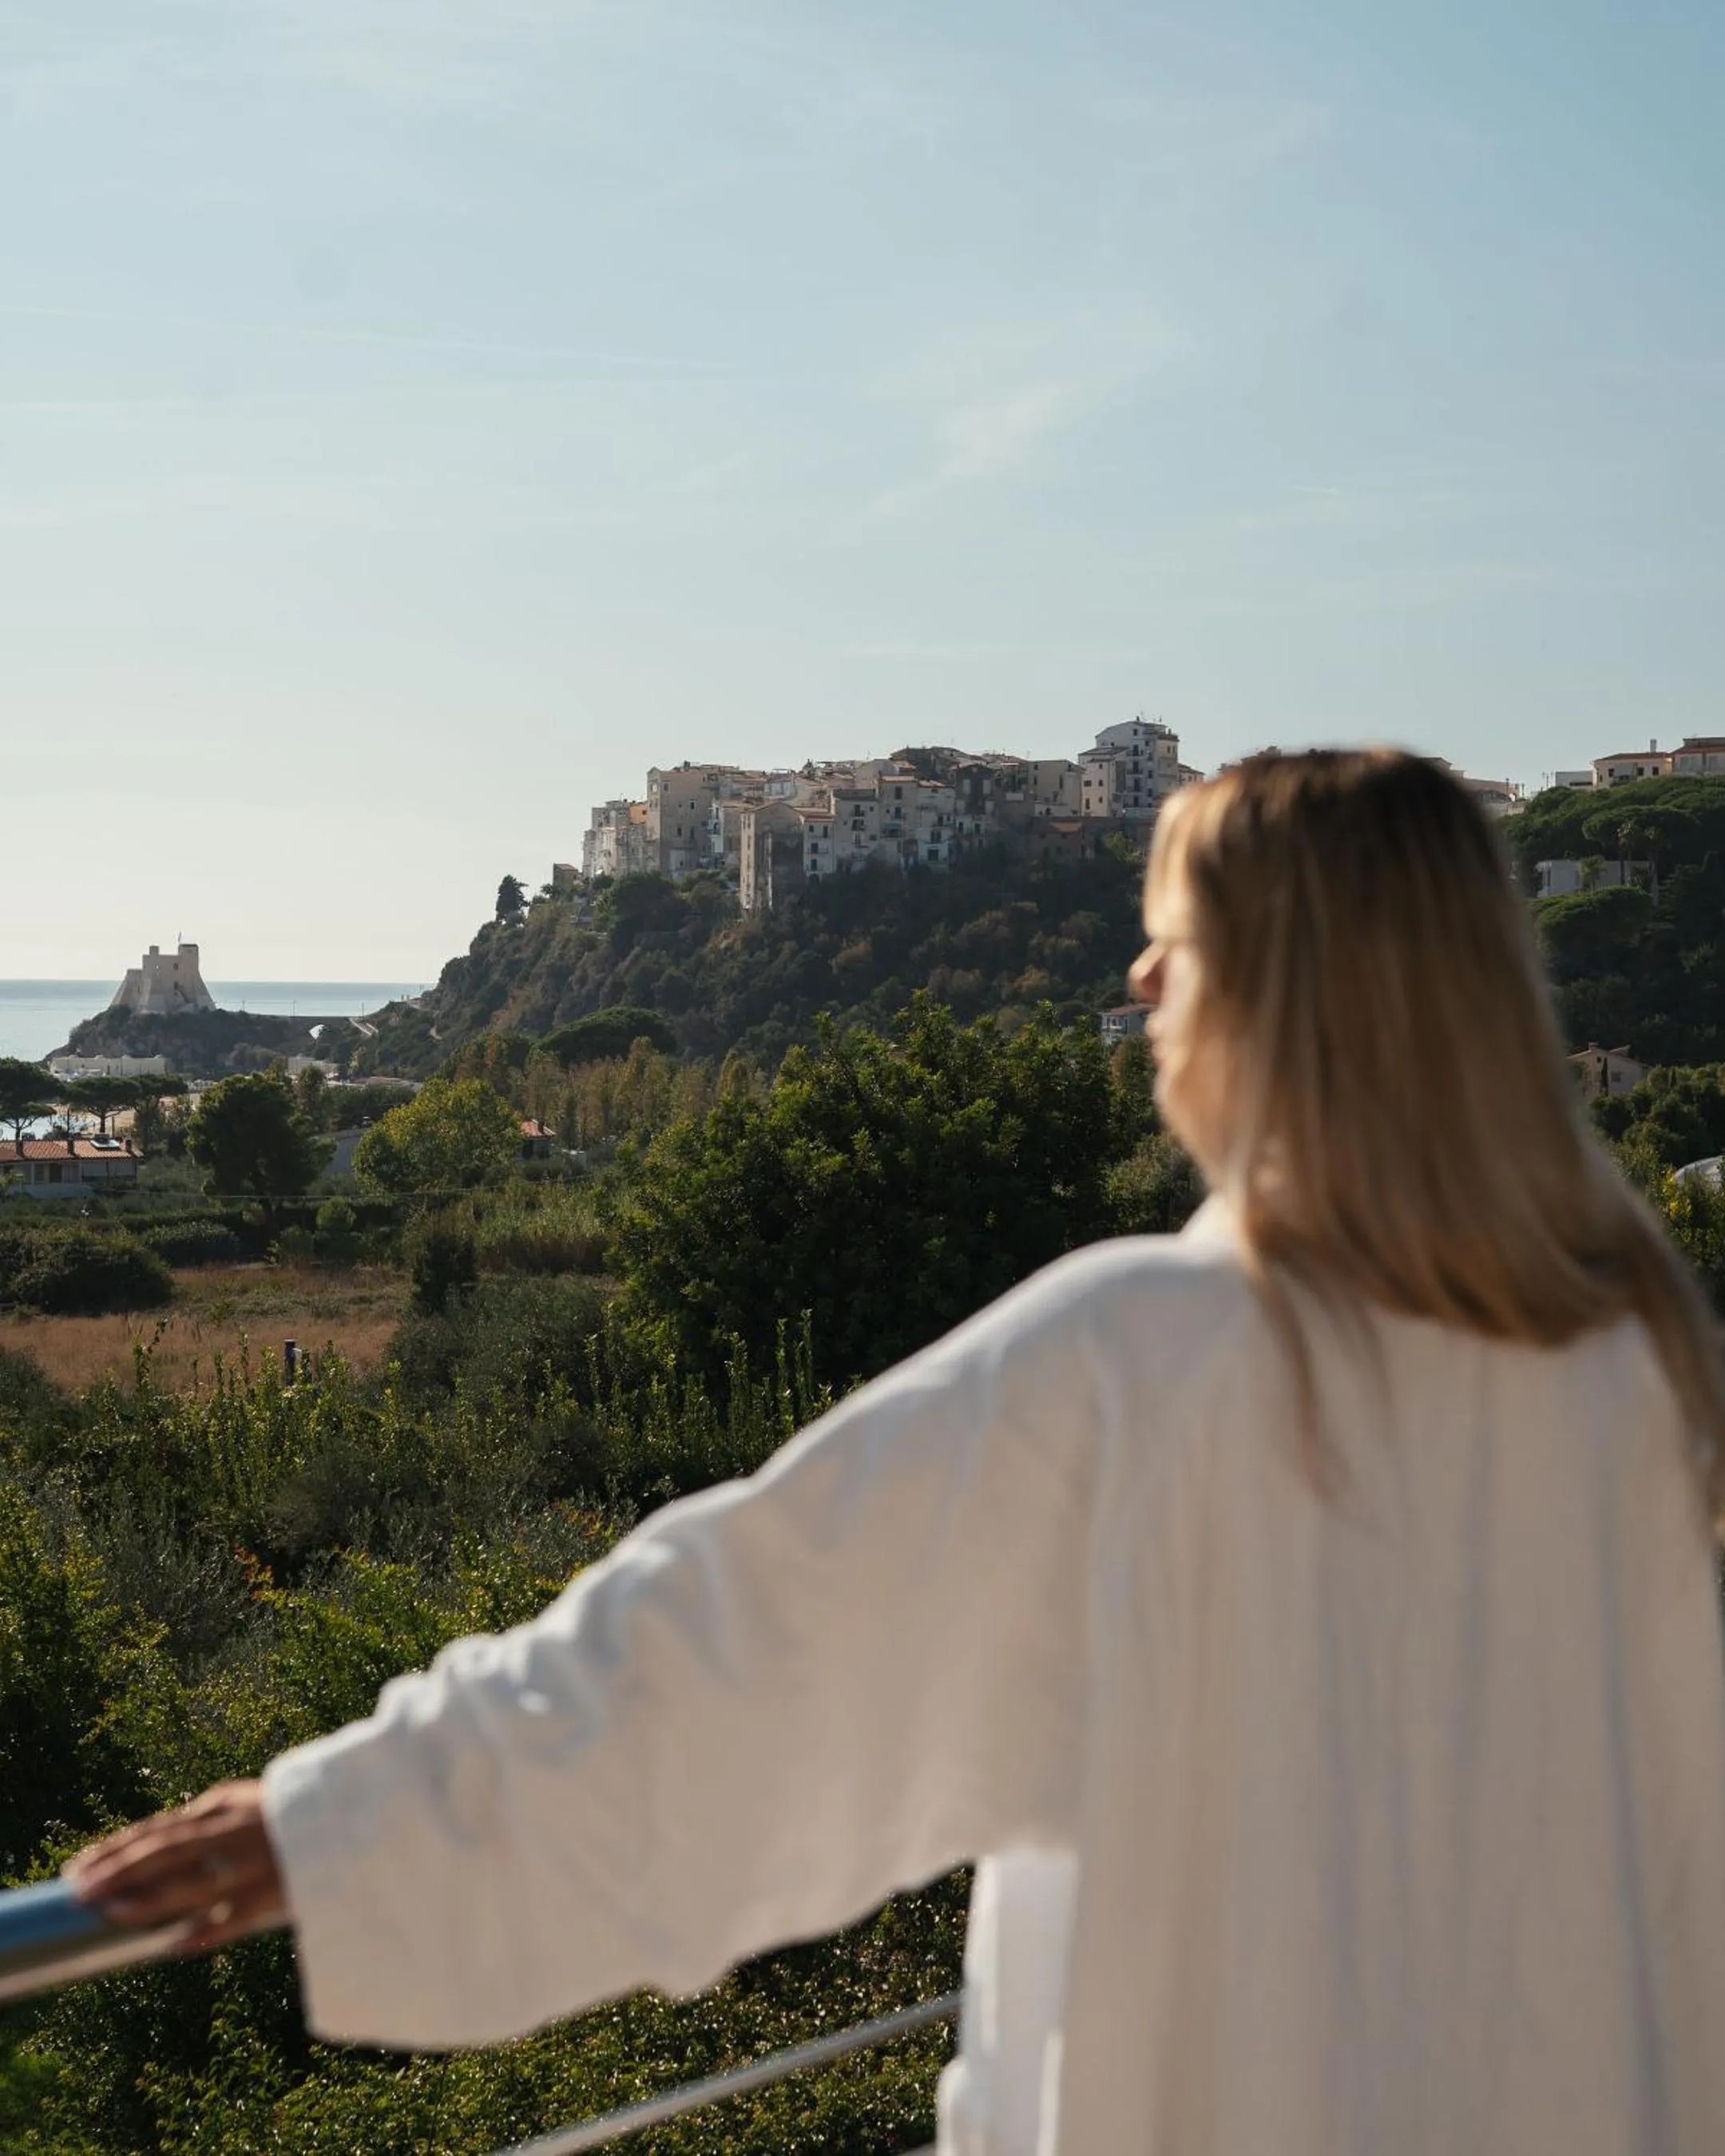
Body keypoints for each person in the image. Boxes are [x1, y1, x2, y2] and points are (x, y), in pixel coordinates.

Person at [72, 751, 1725, 2156]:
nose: (1140, 984)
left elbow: (743, 1649)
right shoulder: (1631, 1366)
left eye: (1175, 946)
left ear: (1284, 999)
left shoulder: (1161, 1356)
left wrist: (343, 1820)